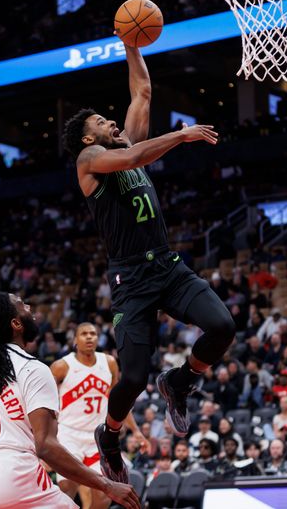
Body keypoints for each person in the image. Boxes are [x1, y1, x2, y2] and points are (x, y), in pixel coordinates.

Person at [63, 44, 235, 484]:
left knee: (222, 326)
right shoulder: (89, 161)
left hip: (168, 266)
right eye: (101, 122)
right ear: (88, 139)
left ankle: (180, 381)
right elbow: (136, 157)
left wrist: (131, 44)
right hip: (131, 278)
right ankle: (111, 435)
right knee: (135, 375)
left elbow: (142, 91)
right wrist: (179, 135)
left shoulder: (125, 142)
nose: (112, 122)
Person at [0, 293, 139, 509]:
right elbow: (46, 447)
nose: (29, 307)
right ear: (16, 323)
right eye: (22, 305)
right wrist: (107, 485)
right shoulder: (33, 369)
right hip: (14, 476)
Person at [50, 322, 147, 509]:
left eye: (93, 334)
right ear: (75, 340)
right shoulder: (61, 366)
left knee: (104, 495)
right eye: (84, 334)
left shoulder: (109, 363)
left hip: (98, 436)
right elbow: (45, 404)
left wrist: (136, 431)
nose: (89, 337)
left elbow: (118, 402)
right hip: (69, 433)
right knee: (67, 486)